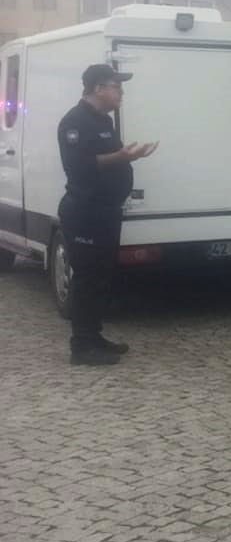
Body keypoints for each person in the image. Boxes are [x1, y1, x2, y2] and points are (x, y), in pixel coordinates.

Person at [56, 64, 157, 364]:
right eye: (116, 86)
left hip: (105, 211)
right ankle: (81, 347)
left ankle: (93, 336)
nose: (121, 92)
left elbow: (109, 160)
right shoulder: (74, 121)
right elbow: (78, 166)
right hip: (85, 211)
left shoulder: (103, 120)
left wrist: (126, 157)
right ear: (98, 89)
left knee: (101, 276)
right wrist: (122, 156)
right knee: (86, 277)